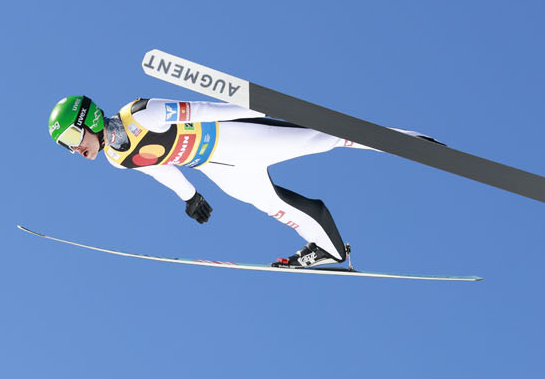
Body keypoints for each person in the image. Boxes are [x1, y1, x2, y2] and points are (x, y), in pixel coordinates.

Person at [46, 94, 440, 267]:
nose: (75, 149)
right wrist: (189, 196)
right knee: (269, 203)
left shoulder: (140, 113)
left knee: (322, 137)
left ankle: (411, 143)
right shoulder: (116, 158)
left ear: (88, 119)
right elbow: (158, 166)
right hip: (218, 167)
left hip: (234, 135)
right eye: (66, 146)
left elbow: (199, 109)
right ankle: (330, 248)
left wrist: (252, 108)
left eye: (72, 138)